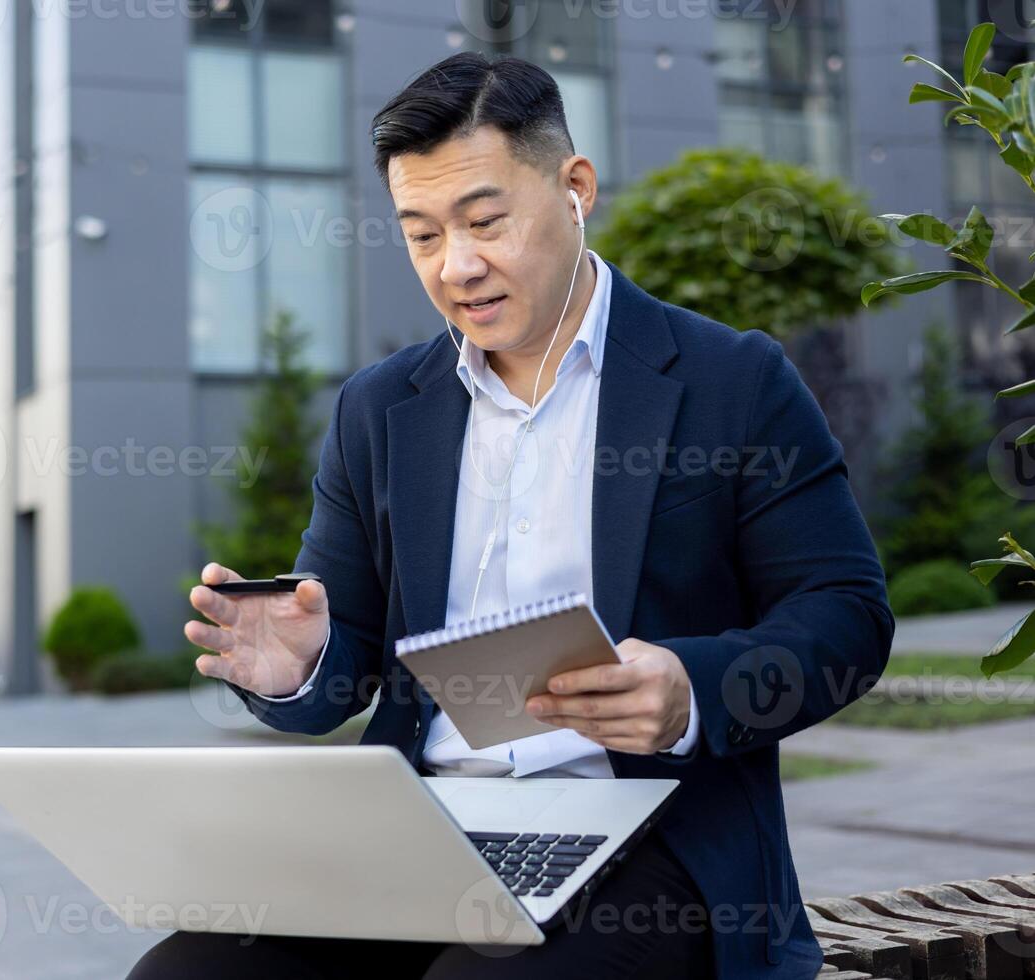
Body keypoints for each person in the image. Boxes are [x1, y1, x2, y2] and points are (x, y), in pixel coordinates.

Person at [131, 51, 891, 980]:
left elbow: (846, 616)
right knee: (187, 974)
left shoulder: (733, 381)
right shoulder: (380, 411)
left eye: (485, 221)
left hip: (652, 841)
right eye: (420, 235)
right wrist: (299, 669)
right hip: (418, 831)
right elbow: (347, 666)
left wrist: (693, 688)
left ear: (575, 189)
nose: (457, 266)